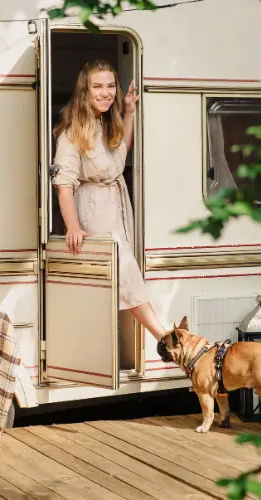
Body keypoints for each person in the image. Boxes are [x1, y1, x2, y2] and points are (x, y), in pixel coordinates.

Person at [51, 59, 167, 341]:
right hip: (93, 209)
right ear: (85, 91)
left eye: (110, 86)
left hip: (116, 205)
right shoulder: (72, 132)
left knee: (124, 276)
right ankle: (168, 340)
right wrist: (73, 227)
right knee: (125, 273)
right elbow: (64, 184)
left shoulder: (105, 124)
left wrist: (129, 111)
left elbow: (120, 154)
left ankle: (166, 341)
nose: (105, 92)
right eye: (97, 86)